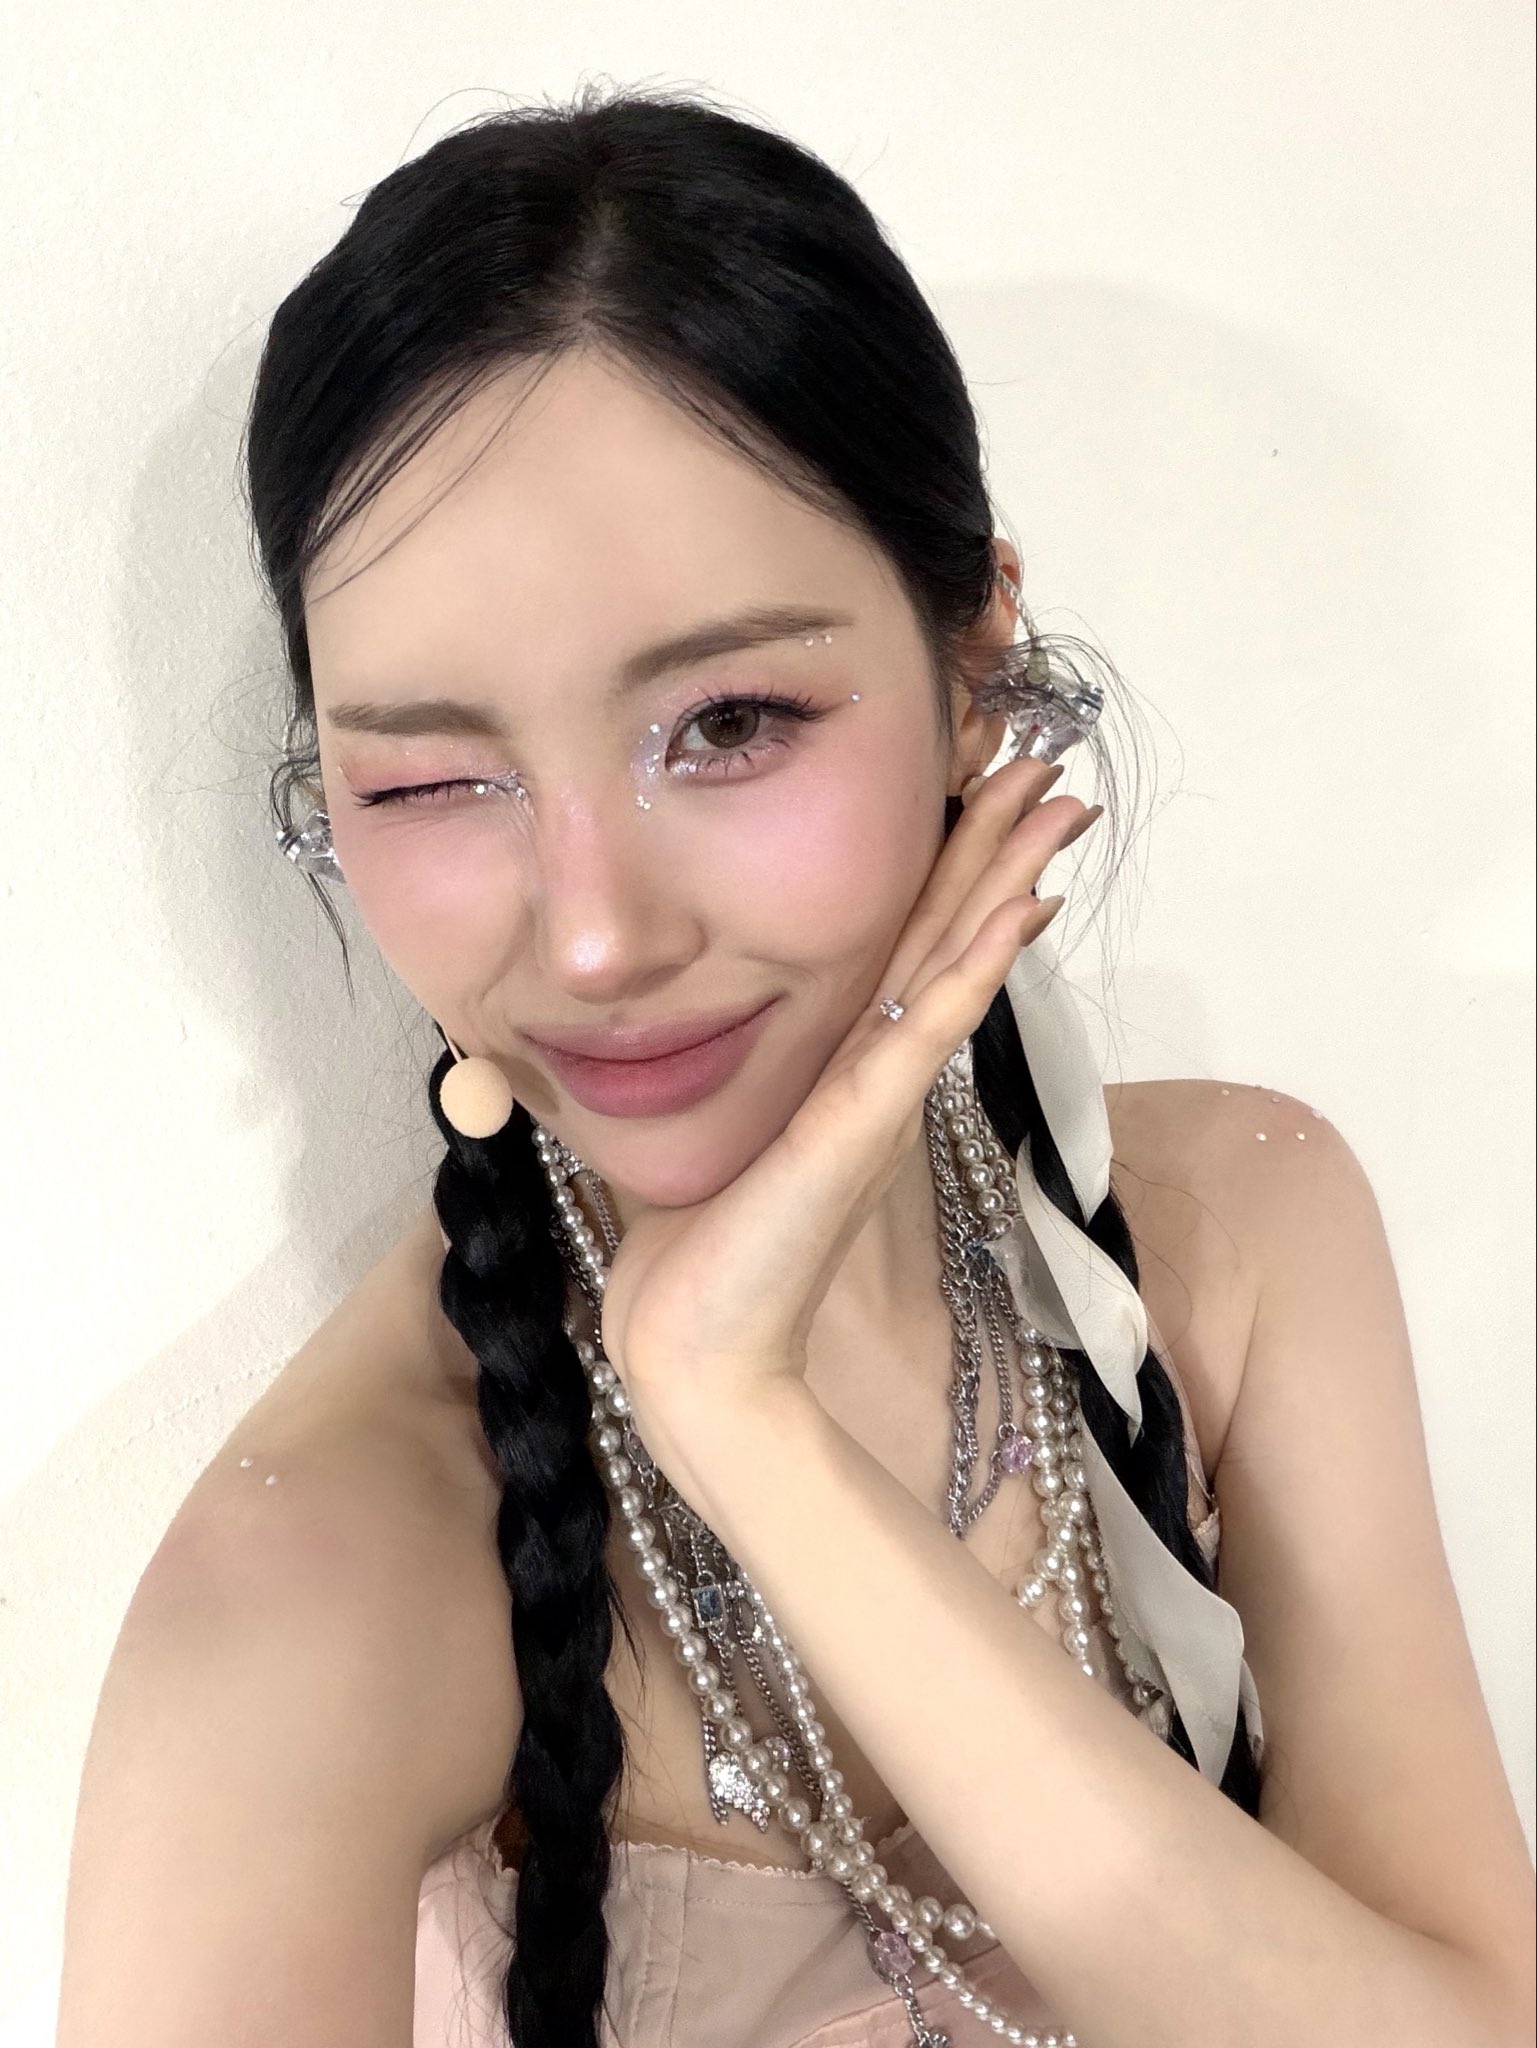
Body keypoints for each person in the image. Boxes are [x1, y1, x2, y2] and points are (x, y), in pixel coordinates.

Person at [57, 82, 1534, 2048]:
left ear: (971, 660)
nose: (594, 935)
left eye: (730, 722)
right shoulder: (314, 1585)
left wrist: (737, 1413)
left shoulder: (1236, 1232)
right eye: (429, 780)